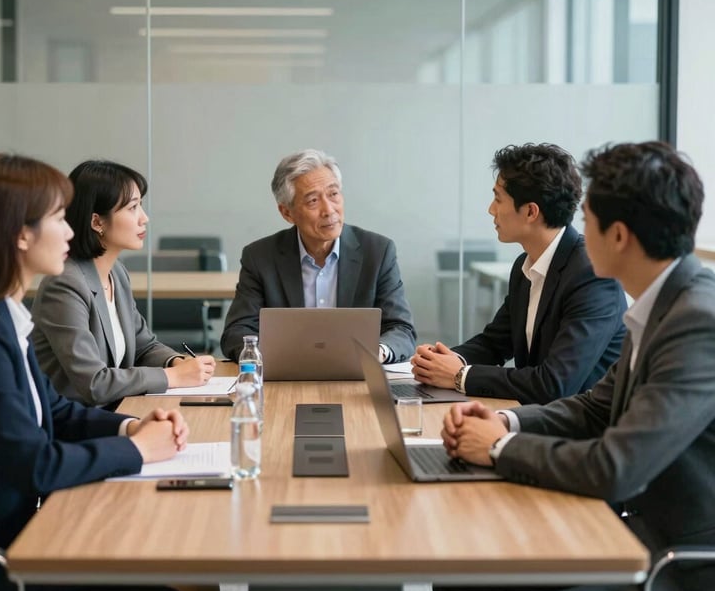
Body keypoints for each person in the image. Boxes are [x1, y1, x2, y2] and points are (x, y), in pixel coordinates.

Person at [435, 141, 715, 591]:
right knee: (459, 583)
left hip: (685, 578)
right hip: (637, 541)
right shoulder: (660, 303)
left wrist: (496, 450)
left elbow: (616, 466)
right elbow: (592, 407)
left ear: (619, 235)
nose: (579, 232)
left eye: (586, 219)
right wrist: (504, 423)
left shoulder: (697, 320)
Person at [0, 153, 196, 591]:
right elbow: (34, 463)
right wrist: (141, 452)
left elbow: (54, 412)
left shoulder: (0, 313)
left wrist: (130, 429)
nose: (69, 231)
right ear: (21, 235)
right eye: (59, 218)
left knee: (173, 588)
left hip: (18, 541)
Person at [411, 142, 626, 405]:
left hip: (580, 432)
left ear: (530, 211)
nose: (491, 209)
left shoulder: (592, 276)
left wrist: (460, 376)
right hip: (535, 418)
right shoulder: (525, 265)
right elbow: (494, 343)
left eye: (498, 198)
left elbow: (555, 383)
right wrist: (442, 361)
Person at [32, 159, 217, 409]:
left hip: (117, 408)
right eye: (132, 208)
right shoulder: (65, 285)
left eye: (141, 205)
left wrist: (175, 362)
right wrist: (171, 377)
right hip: (73, 423)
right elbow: (94, 383)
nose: (144, 218)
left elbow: (144, 346)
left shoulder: (116, 272)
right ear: (97, 222)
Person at [220, 148, 417, 362]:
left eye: (333, 194)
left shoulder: (378, 252)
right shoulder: (260, 257)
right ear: (287, 213)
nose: (329, 210)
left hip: (358, 377)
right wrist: (273, 356)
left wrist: (377, 352)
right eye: (313, 200)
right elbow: (236, 332)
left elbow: (401, 329)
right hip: (286, 378)